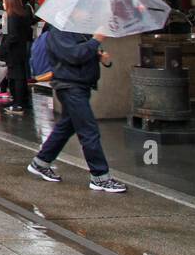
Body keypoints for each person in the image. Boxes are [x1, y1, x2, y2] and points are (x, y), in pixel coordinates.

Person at [26, 28, 126, 193]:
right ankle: (100, 176)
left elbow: (83, 54)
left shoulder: (79, 31)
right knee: (89, 131)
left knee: (66, 127)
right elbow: (74, 55)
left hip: (79, 85)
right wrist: (96, 40)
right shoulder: (60, 32)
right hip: (70, 87)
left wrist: (101, 58)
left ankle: (41, 162)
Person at [0, 0, 36, 116]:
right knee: (17, 77)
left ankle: (18, 104)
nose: (2, 4)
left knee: (17, 77)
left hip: (14, 51)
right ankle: (19, 101)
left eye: (3, 2)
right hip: (20, 50)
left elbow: (12, 36)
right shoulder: (22, 15)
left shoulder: (12, 16)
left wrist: (3, 48)